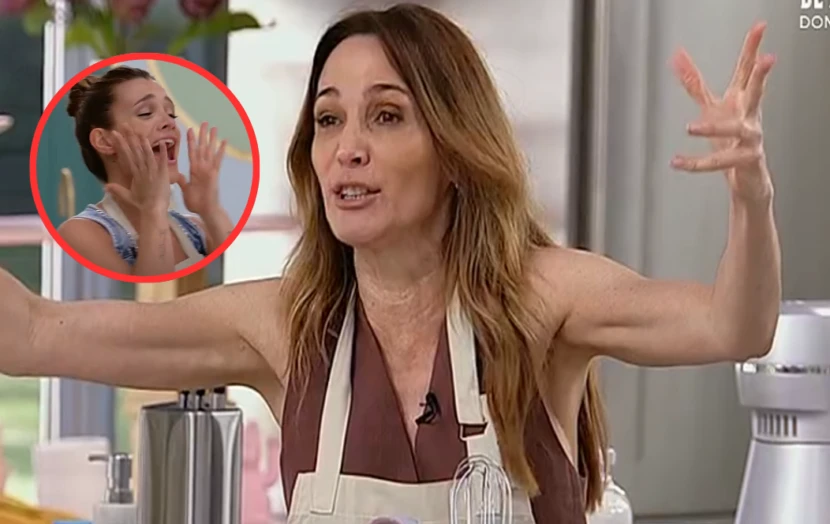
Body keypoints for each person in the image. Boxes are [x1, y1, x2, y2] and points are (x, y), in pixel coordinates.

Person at [0, 4, 779, 523]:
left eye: (386, 115)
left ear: (454, 147)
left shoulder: (540, 297)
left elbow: (733, 326)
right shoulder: (284, 326)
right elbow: (29, 334)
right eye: (329, 119)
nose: (348, 148)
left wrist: (750, 194)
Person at [57, 66, 235, 276]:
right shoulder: (81, 233)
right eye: (146, 113)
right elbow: (152, 294)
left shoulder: (194, 227)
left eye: (171, 113)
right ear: (104, 141)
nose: (169, 123)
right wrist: (153, 211)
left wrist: (210, 208)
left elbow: (245, 276)